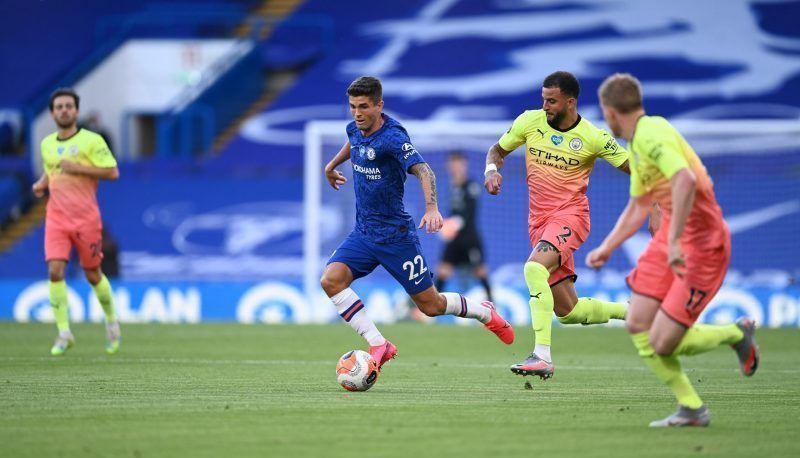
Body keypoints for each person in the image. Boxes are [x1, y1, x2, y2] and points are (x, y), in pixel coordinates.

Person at [586, 73, 759, 427]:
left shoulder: (652, 133)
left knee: (663, 343)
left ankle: (736, 334)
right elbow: (639, 206)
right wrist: (607, 247)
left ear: (610, 110)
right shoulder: (638, 143)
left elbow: (685, 179)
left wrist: (677, 238)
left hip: (703, 245)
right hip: (671, 239)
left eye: (603, 112)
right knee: (636, 323)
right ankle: (692, 408)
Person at [321, 76, 514, 370]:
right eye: (352, 107)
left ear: (379, 105)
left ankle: (484, 312)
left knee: (431, 305)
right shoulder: (354, 127)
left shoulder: (394, 137)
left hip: (396, 237)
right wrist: (332, 165)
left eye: (363, 107)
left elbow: (425, 171)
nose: (357, 113)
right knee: (331, 280)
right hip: (363, 233)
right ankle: (378, 344)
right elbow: (354, 142)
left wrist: (432, 207)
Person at [484, 71, 632, 379]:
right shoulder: (530, 122)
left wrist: (657, 202)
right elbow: (497, 151)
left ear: (570, 102)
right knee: (568, 312)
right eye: (543, 99)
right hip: (539, 224)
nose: (545, 106)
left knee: (533, 268)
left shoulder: (593, 137)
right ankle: (632, 312)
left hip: (571, 217)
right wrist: (490, 171)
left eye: (551, 101)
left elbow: (636, 169)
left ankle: (542, 356)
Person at [32, 88, 121, 356]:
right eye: (59, 107)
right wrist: (41, 184)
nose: (64, 110)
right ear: (52, 113)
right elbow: (53, 170)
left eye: (69, 106)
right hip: (56, 218)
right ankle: (64, 333)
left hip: (86, 220)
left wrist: (78, 167)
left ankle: (112, 322)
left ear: (77, 111)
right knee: (54, 272)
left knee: (93, 274)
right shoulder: (47, 144)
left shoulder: (92, 141)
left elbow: (113, 172)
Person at [435, 151, 492, 302]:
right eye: (452, 164)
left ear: (464, 165)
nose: (455, 168)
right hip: (454, 240)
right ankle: (430, 310)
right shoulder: (452, 186)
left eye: (458, 164)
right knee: (443, 271)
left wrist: (453, 224)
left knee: (480, 271)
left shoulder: (471, 186)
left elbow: (470, 212)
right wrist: (446, 226)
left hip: (469, 238)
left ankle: (493, 306)